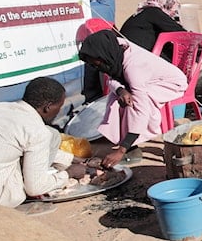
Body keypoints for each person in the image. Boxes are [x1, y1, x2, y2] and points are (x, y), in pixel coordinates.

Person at [78, 30, 187, 168]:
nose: (97, 68)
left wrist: (121, 150)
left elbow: (141, 111)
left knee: (133, 103)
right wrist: (121, 90)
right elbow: (110, 80)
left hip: (172, 84)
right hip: (146, 81)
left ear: (104, 55)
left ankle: (128, 146)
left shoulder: (133, 67)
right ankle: (130, 146)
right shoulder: (116, 50)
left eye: (97, 64)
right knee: (117, 98)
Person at [0, 77, 88, 213]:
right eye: (59, 107)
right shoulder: (37, 131)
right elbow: (35, 187)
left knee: (52, 134)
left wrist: (71, 159)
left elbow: (22, 145)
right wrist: (69, 173)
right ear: (48, 107)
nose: (59, 111)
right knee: (48, 137)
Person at [119, 0, 186, 56]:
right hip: (133, 54)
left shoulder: (145, 11)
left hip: (126, 51)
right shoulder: (154, 12)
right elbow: (178, 31)